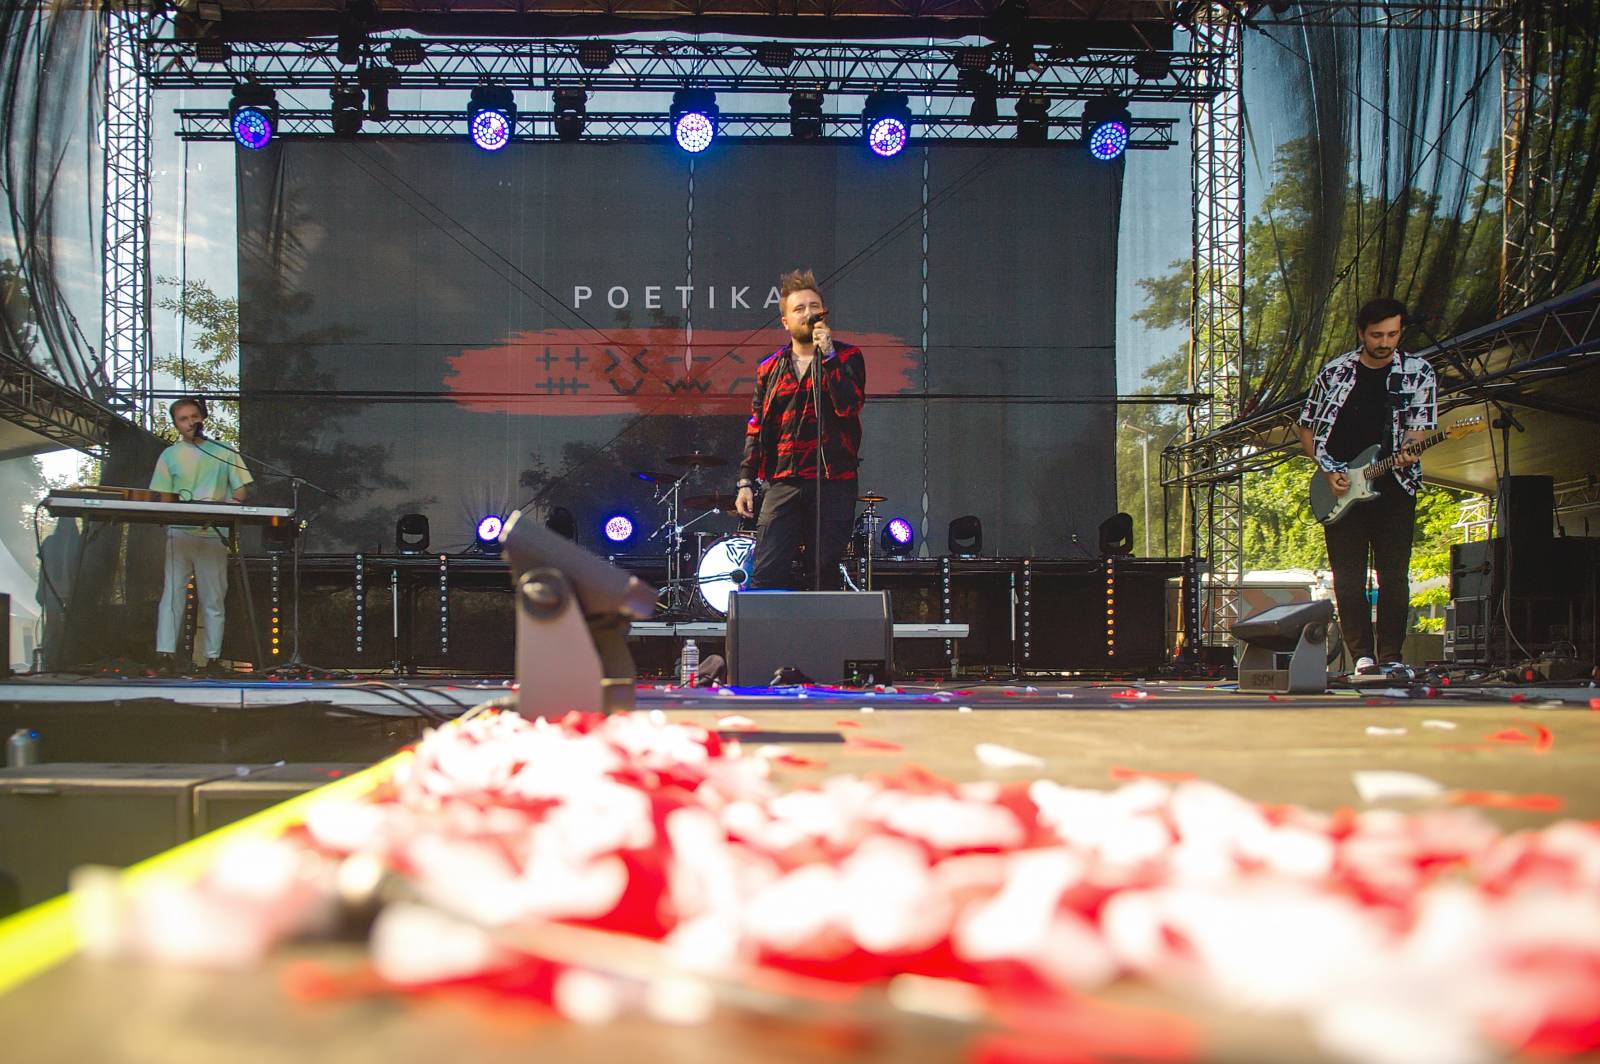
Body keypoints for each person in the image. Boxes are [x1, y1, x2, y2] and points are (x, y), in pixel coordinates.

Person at [1296, 297, 1436, 676]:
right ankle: (1362, 655)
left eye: (1392, 334)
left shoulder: (1418, 372)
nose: (1384, 342)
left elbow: (1420, 426)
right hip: (1340, 487)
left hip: (1395, 486)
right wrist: (1327, 469)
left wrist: (1411, 449)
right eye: (1377, 335)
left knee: (1394, 575)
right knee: (1348, 577)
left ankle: (1391, 655)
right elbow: (1306, 427)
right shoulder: (1335, 372)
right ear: (1362, 333)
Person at [735, 270, 867, 590]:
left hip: (832, 480)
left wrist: (829, 356)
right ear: (785, 322)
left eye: (814, 306)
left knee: (823, 572)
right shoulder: (770, 368)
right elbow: (756, 426)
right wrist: (745, 481)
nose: (808, 313)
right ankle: (768, 624)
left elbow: (849, 406)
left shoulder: (848, 356)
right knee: (766, 571)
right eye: (799, 308)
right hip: (783, 480)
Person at [151, 397, 253, 675]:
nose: (190, 422)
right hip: (179, 534)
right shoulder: (169, 455)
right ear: (176, 425)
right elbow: (163, 496)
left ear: (202, 418)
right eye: (183, 419)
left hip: (213, 533)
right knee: (172, 594)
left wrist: (231, 504)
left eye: (194, 416)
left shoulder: (224, 450)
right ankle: (165, 655)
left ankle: (212, 659)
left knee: (214, 598)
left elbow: (241, 488)